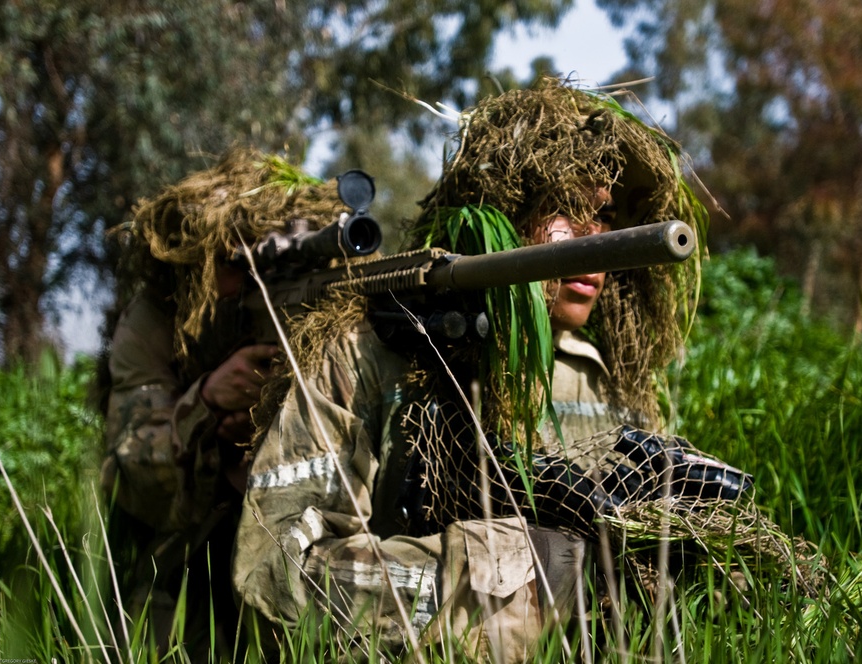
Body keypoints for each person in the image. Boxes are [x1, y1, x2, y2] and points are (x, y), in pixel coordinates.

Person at [231, 79, 752, 661]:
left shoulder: (603, 377)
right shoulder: (371, 352)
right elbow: (276, 574)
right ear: (504, 211)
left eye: (604, 215)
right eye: (564, 206)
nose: (593, 237)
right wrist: (526, 581)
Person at [98, 148, 349, 659]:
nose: (261, 278)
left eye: (275, 255)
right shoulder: (152, 322)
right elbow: (132, 472)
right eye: (239, 261)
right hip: (189, 548)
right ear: (193, 265)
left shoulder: (321, 296)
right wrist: (206, 402)